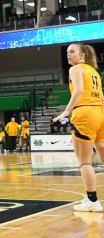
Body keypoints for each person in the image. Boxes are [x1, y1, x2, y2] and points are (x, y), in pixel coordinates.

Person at [53, 43, 104, 212]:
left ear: (82, 55)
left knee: (85, 162)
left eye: (72, 52)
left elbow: (79, 91)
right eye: (67, 52)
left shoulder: (75, 69)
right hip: (99, 113)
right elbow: (102, 98)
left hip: (85, 113)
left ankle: (92, 201)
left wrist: (66, 112)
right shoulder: (94, 72)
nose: (68, 55)